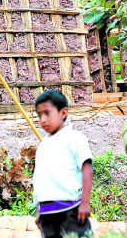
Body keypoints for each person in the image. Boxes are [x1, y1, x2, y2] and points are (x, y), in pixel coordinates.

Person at [33, 90, 94, 238]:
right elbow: (40, 178)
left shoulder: (74, 138)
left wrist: (85, 202)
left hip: (71, 209)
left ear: (63, 113)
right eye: (39, 115)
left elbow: (87, 170)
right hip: (47, 212)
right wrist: (38, 211)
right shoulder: (42, 146)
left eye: (47, 113)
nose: (42, 119)